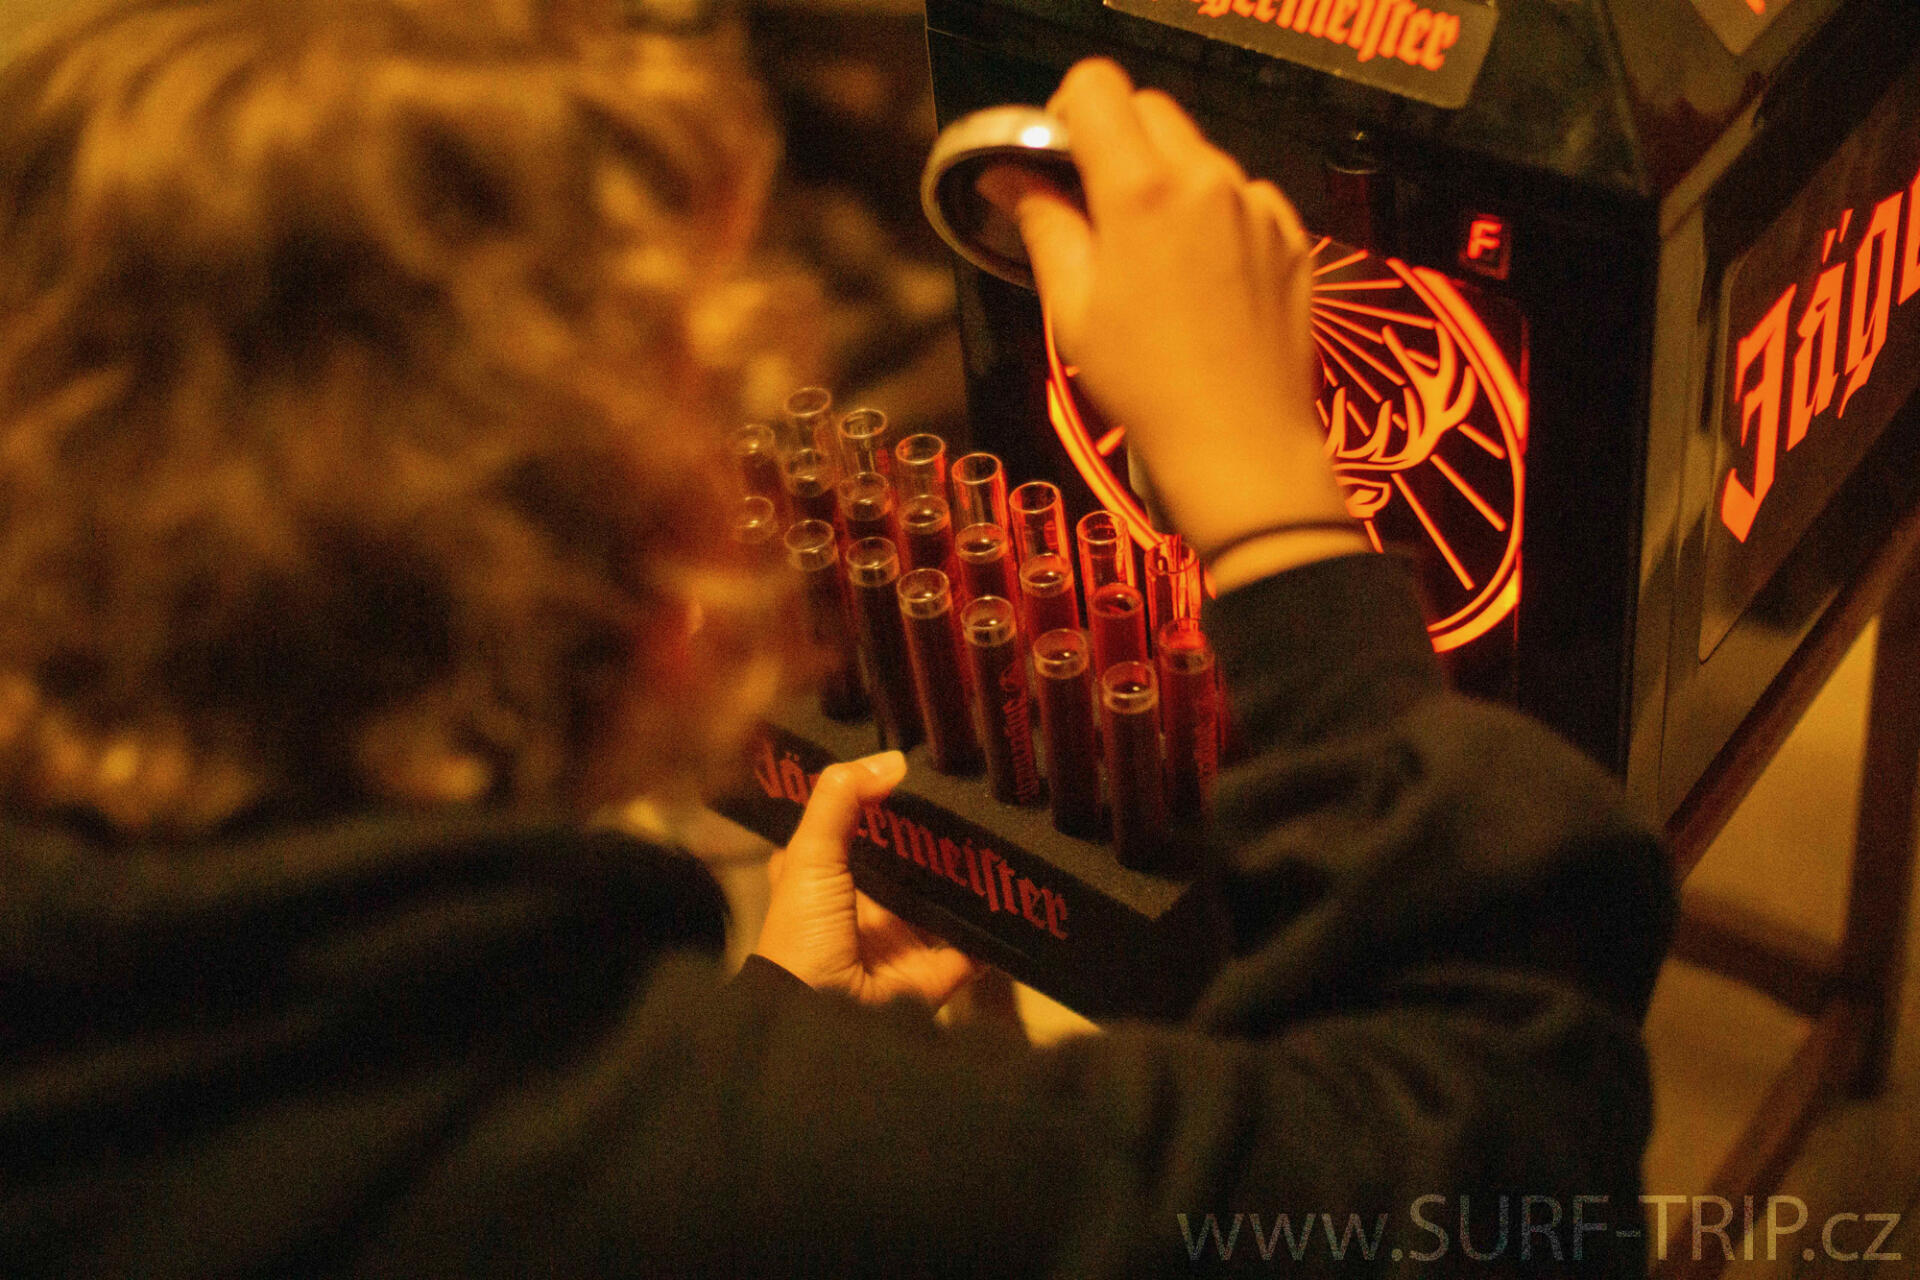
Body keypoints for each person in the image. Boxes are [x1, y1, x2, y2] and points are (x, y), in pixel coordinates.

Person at [0, 1, 1674, 1275]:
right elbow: (1499, 1155)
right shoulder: (732, 1170)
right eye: (692, 379)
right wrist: (1271, 501)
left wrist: (766, 1028)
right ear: (581, 552)